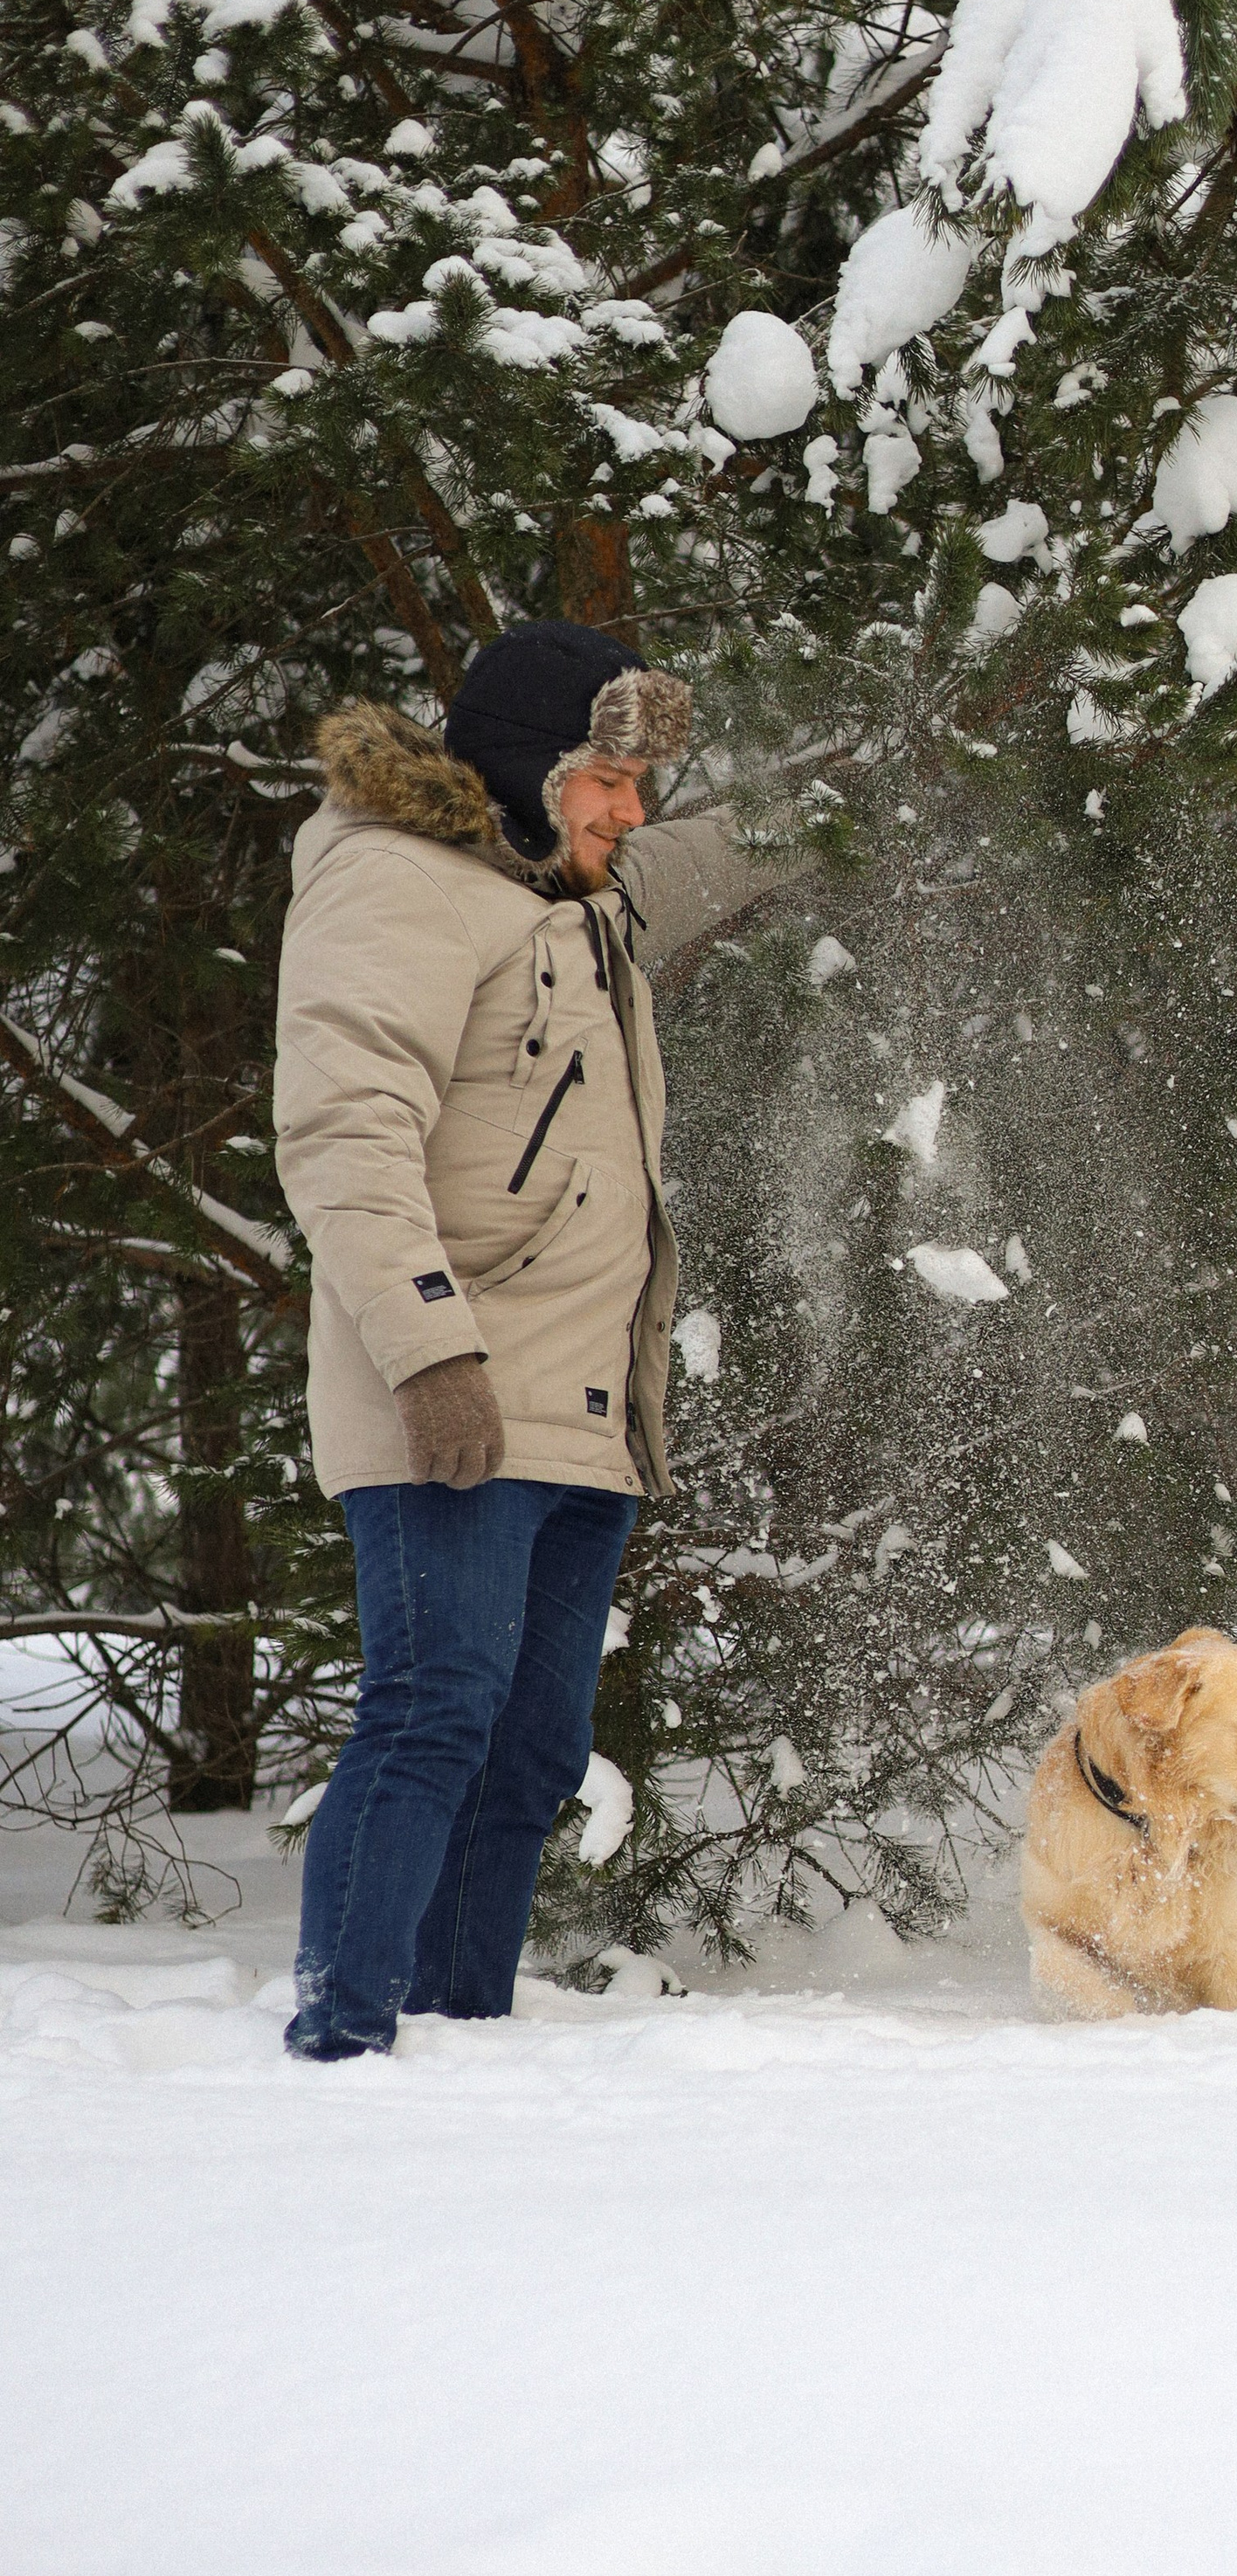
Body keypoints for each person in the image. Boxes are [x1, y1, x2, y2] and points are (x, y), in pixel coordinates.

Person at [273, 620, 787, 2059]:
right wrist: (431, 1356)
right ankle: (344, 2036)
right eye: (608, 780)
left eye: (639, 783)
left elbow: (709, 862)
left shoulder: (569, 897)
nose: (633, 812)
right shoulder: (397, 883)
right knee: (435, 1712)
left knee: (531, 1748)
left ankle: (456, 2033)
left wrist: (883, 789)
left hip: (581, 1409)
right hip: (458, 1388)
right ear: (524, 765)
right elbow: (344, 1131)